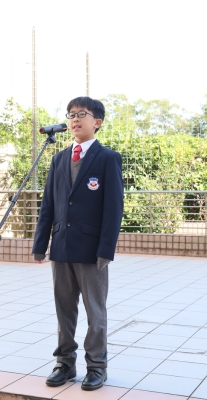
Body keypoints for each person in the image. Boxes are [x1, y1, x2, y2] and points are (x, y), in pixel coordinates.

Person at [32, 96, 124, 391]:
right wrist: (40, 244)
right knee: (64, 311)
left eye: (81, 114)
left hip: (92, 250)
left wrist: (106, 250)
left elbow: (114, 209)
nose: (74, 119)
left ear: (97, 122)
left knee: (95, 312)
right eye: (70, 114)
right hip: (61, 247)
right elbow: (48, 204)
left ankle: (96, 367)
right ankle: (65, 364)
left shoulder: (108, 158)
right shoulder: (58, 159)